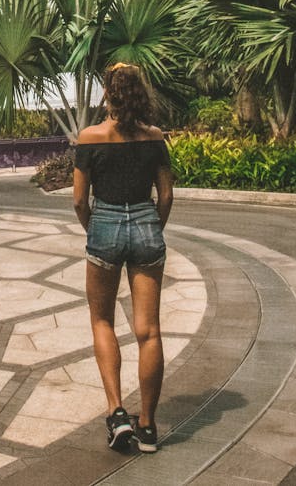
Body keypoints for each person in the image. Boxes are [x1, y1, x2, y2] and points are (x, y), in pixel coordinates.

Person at [73, 62, 173, 454]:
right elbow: (165, 195)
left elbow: (80, 200)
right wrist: (151, 228)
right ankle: (147, 427)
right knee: (149, 330)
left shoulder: (90, 136)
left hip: (106, 225)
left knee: (102, 319)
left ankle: (116, 413)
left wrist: (96, 230)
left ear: (107, 93)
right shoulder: (154, 137)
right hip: (147, 223)